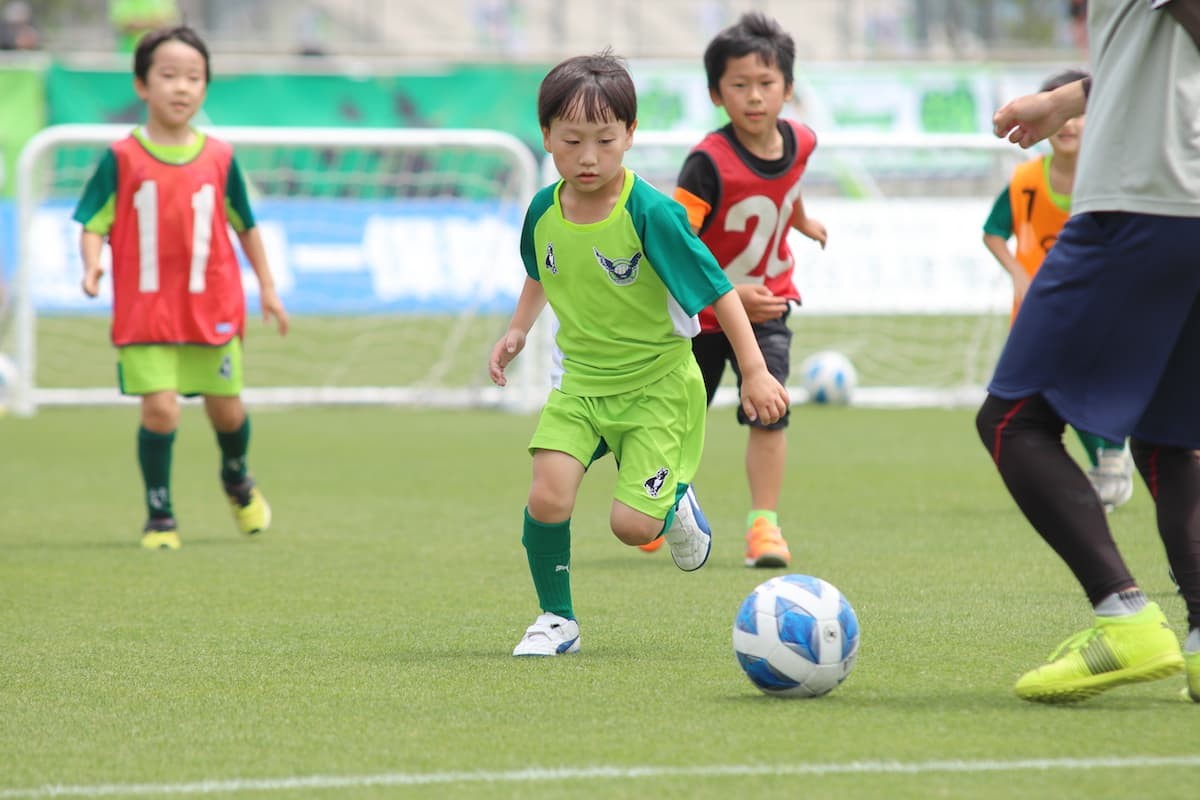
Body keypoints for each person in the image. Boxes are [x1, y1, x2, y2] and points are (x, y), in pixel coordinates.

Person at [488, 51, 789, 657]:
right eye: (571, 141)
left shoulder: (652, 213)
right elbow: (541, 271)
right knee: (547, 493)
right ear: (546, 137)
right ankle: (557, 620)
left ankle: (675, 501)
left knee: (631, 528)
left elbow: (719, 293)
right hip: (580, 385)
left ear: (630, 135)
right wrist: (518, 331)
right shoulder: (543, 209)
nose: (589, 157)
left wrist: (753, 372)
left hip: (657, 390)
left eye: (604, 139)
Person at [976, 0, 1199, 704]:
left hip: (1142, 202)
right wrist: (1068, 100)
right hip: (1180, 203)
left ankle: (1126, 616)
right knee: (1170, 438)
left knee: (1013, 420)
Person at [73, 26, 289, 550]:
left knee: (227, 411)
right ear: (142, 85)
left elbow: (246, 226)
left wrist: (267, 286)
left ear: (206, 88)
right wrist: (92, 266)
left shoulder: (219, 157)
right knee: (161, 409)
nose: (181, 87)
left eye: (193, 77)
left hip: (212, 306)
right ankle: (160, 515)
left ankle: (236, 477)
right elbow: (92, 223)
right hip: (145, 311)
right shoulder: (121, 157)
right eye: (168, 75)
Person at [644, 11, 825, 569]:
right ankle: (661, 504)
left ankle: (763, 527)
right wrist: (730, 293)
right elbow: (675, 243)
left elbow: (786, 188)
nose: (754, 97)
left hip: (769, 308)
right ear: (716, 94)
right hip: (701, 315)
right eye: (739, 85)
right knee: (677, 416)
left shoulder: (802, 142)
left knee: (769, 409)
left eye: (766, 84)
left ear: (788, 90)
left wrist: (802, 221)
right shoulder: (706, 164)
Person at [981, 67, 1134, 512]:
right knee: (1039, 396)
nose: (1066, 123)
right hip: (1036, 308)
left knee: (1074, 388)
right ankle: (1107, 462)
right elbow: (993, 231)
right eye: (1057, 110)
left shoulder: (1111, 180)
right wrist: (1017, 272)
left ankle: (1110, 460)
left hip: (1095, 307)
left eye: (1076, 113)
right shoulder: (1025, 181)